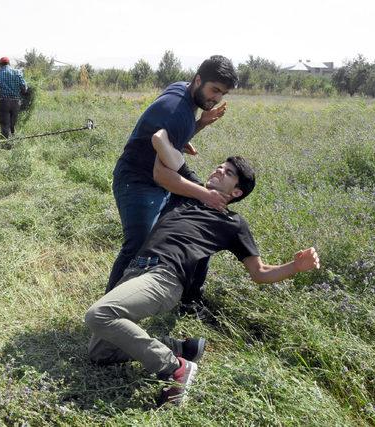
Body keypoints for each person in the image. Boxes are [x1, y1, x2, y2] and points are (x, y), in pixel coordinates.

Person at [85, 156, 321, 406]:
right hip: (135, 271)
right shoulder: (190, 190)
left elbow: (259, 272)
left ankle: (174, 367)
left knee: (99, 315)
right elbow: (162, 167)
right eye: (220, 166)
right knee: (100, 353)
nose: (219, 169)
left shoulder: (233, 223)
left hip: (165, 276)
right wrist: (191, 129)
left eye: (228, 172)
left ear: (237, 191)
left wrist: (296, 266)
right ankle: (179, 347)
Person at [106, 55, 239, 301]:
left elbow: (163, 137)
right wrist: (205, 194)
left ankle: (186, 299)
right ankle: (106, 313)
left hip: (153, 179)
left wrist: (198, 125)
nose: (217, 98)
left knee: (190, 226)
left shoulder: (181, 89)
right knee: (139, 245)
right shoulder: (176, 113)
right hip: (138, 181)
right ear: (198, 80)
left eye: (223, 94)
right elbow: (163, 174)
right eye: (215, 90)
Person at [0, 57, 28, 138]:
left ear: (0, 65)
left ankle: (6, 144)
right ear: (9, 64)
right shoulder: (17, 73)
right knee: (13, 125)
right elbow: (24, 89)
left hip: (3, 102)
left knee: (5, 125)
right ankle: (13, 141)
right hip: (16, 103)